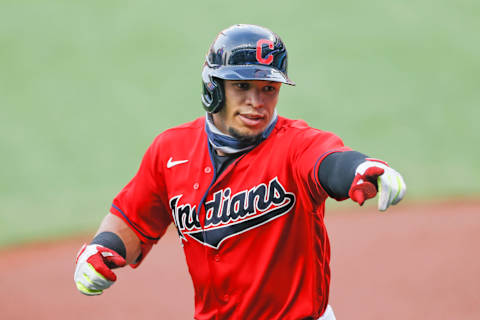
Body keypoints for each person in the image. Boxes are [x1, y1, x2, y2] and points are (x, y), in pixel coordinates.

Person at [74, 24, 406, 320]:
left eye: (268, 89)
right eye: (242, 86)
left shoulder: (295, 145)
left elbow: (330, 161)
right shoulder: (170, 151)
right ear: (213, 88)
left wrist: (360, 168)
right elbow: (134, 220)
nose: (256, 102)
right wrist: (102, 248)